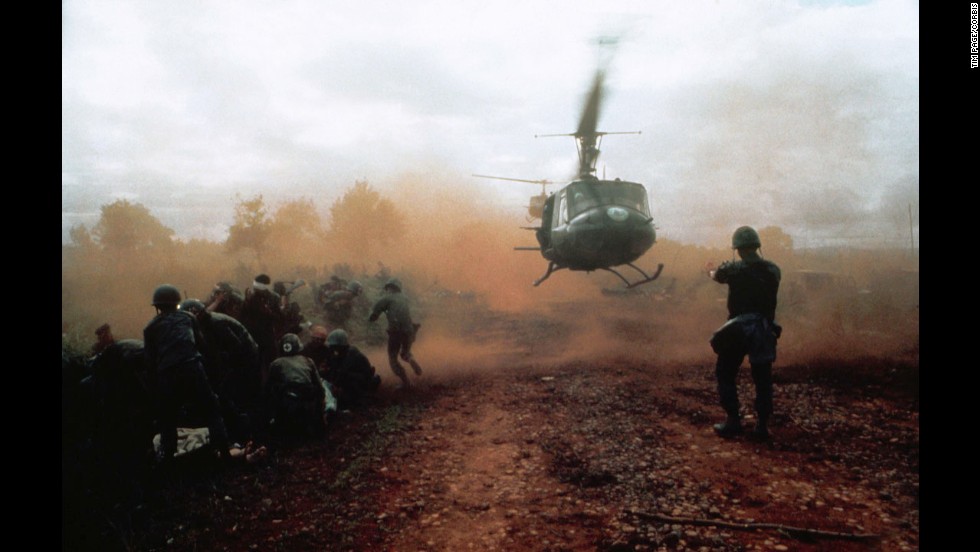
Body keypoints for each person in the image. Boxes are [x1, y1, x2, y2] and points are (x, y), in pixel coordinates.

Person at [143, 284, 233, 464]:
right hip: (193, 368)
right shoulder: (188, 318)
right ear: (177, 302)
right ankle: (224, 452)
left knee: (167, 418)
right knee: (212, 410)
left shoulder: (150, 328)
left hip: (167, 374)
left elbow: (150, 361)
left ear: (158, 307)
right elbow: (202, 346)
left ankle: (168, 459)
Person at [707, 226, 782, 440]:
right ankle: (762, 426)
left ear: (737, 249)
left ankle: (733, 421)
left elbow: (717, 275)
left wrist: (711, 270)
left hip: (738, 327)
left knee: (725, 372)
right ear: (757, 246)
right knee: (763, 378)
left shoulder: (734, 270)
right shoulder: (774, 270)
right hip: (764, 328)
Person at [179, 299, 263, 444]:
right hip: (238, 360)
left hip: (246, 360)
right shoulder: (206, 323)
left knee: (238, 396)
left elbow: (236, 347)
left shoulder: (216, 323)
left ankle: (249, 432)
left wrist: (223, 367)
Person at [263, 333, 328, 440]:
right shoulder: (308, 361)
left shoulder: (276, 363)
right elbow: (319, 387)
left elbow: (268, 388)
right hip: (308, 405)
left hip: (288, 406)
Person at [369, 277, 423, 389]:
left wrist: (372, 318)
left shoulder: (386, 299)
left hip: (396, 332)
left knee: (393, 358)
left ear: (389, 288)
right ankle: (410, 359)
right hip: (409, 331)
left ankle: (406, 383)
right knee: (405, 353)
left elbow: (373, 315)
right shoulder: (405, 298)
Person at [240, 274, 284, 384]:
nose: (255, 290)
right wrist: (247, 302)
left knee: (271, 361)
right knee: (253, 362)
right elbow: (243, 315)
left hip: (267, 334)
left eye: (257, 288)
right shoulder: (251, 297)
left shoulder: (273, 298)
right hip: (252, 334)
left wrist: (267, 312)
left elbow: (280, 317)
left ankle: (274, 384)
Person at [322, 329, 381, 409]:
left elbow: (343, 372)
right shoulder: (342, 353)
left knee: (346, 378)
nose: (331, 347)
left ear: (339, 345)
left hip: (363, 381)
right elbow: (333, 367)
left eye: (333, 346)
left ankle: (359, 398)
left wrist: (334, 385)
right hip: (356, 378)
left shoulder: (351, 354)